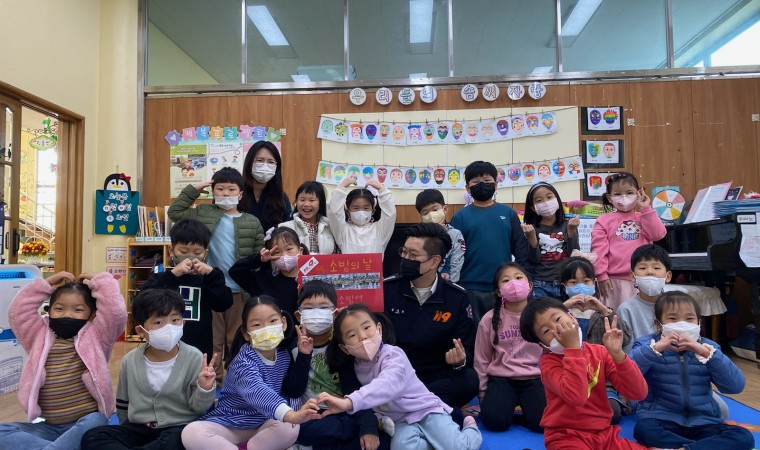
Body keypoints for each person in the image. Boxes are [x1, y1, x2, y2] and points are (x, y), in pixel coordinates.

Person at [320, 304, 482, 450]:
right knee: (402, 447)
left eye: (366, 327)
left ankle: (470, 427)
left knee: (459, 447)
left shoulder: (393, 354)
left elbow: (387, 384)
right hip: (399, 421)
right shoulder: (356, 366)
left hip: (426, 410)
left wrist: (349, 402)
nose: (363, 336)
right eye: (352, 335)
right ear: (345, 348)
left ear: (379, 329)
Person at [0, 272, 126, 450]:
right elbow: (18, 312)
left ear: (92, 315)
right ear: (49, 311)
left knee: (97, 420)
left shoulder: (98, 336)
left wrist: (101, 282)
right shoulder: (37, 335)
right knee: (2, 431)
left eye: (78, 310)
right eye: (59, 309)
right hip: (47, 427)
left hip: (84, 424)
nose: (67, 315)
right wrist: (45, 284)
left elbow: (115, 313)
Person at [181, 296, 322, 450]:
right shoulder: (243, 362)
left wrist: (294, 415)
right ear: (246, 333)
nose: (266, 328)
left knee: (290, 427)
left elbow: (289, 393)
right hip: (230, 424)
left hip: (265, 425)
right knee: (192, 433)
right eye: (257, 324)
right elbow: (258, 391)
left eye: (272, 321)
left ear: (283, 323)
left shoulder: (284, 356)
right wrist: (291, 415)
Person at [81, 289, 216, 450]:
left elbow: (199, 409)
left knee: (180, 439)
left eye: (175, 320)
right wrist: (127, 432)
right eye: (158, 322)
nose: (169, 327)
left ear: (183, 323)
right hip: (140, 428)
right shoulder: (130, 360)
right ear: (140, 331)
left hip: (178, 427)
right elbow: (123, 405)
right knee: (93, 436)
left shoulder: (194, 357)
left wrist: (204, 389)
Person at [168, 166, 264, 380]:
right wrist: (193, 190)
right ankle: (214, 380)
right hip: (209, 288)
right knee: (214, 339)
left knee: (237, 338)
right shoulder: (203, 212)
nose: (226, 193)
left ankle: (237, 380)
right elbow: (174, 213)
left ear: (240, 194)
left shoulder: (252, 222)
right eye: (220, 189)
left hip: (239, 291)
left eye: (231, 190)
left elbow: (258, 257)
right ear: (213, 192)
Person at [519, 297, 649, 450]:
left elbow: (639, 393)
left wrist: (619, 356)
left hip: (604, 434)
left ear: (572, 316)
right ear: (542, 344)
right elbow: (576, 397)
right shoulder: (548, 364)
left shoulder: (599, 351)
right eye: (546, 331)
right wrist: (573, 349)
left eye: (558, 319)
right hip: (566, 436)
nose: (557, 329)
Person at [630, 292, 754, 450]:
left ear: (699, 322)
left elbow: (735, 386)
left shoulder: (709, 348)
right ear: (659, 324)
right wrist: (655, 350)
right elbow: (628, 374)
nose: (682, 324)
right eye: (673, 318)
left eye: (689, 319)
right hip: (661, 419)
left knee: (744, 436)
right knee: (643, 430)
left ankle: (683, 448)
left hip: (704, 421)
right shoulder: (647, 344)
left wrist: (707, 354)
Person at [384, 223, 478, 426]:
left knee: (470, 380)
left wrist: (460, 360)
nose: (405, 259)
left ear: (435, 261)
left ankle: (406, 409)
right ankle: (435, 411)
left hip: (436, 376)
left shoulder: (457, 298)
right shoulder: (386, 290)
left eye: (413, 255)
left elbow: (469, 348)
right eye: (404, 252)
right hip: (396, 375)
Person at [293, 280, 391, 450]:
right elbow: (293, 390)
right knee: (300, 431)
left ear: (335, 313)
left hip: (348, 410)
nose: (316, 313)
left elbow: (354, 389)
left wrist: (367, 426)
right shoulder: (293, 348)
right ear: (298, 315)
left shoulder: (344, 346)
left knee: (380, 441)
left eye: (324, 307)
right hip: (315, 414)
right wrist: (303, 355)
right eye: (309, 308)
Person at [450, 160, 529, 324]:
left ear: (496, 184)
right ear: (467, 188)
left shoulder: (508, 213)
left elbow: (520, 249)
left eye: (487, 180)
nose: (482, 185)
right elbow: (453, 252)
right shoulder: (460, 217)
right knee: (475, 331)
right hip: (470, 287)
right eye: (476, 182)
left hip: (503, 286)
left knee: (504, 330)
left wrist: (521, 280)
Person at [142, 219, 233, 357]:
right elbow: (143, 302)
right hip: (164, 347)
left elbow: (223, 304)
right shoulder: (162, 277)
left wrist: (212, 276)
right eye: (183, 251)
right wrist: (172, 275)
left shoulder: (208, 278)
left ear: (205, 254)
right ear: (171, 251)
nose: (190, 257)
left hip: (200, 346)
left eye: (197, 253)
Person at [560, 256, 633, 423]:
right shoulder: (560, 313)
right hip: (570, 376)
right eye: (573, 282)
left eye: (586, 281)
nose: (581, 286)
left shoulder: (604, 312)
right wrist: (562, 308)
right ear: (564, 286)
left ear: (594, 283)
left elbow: (626, 338)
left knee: (612, 413)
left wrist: (605, 311)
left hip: (602, 380)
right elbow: (544, 337)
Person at [474, 263, 545, 432]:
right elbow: (482, 359)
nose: (513, 283)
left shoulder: (542, 316)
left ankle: (523, 413)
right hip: (502, 378)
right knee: (494, 422)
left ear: (530, 285)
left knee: (542, 423)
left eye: (519, 278)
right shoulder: (489, 319)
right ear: (499, 292)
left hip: (535, 377)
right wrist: (483, 393)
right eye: (506, 280)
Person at [591, 172, 667, 309]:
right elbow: (598, 251)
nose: (624, 197)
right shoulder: (603, 220)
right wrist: (601, 275)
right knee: (615, 317)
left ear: (639, 193)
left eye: (629, 192)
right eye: (618, 194)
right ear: (609, 197)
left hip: (643, 279)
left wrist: (646, 208)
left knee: (643, 315)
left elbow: (658, 234)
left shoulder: (644, 216)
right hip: (613, 281)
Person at [229, 226, 306, 316]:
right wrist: (258, 259)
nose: (284, 255)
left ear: (300, 250)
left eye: (289, 249)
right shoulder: (263, 280)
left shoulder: (311, 279)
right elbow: (236, 271)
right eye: (277, 252)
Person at [521, 182, 580, 298]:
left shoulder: (568, 225)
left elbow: (574, 255)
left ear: (557, 199)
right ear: (533, 208)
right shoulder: (532, 229)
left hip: (565, 282)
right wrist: (532, 238)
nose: (546, 203)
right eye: (539, 200)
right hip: (540, 284)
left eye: (549, 197)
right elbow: (534, 260)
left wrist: (572, 231)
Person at [616, 244, 673, 353]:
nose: (650, 272)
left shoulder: (675, 306)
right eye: (642, 268)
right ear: (633, 276)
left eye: (656, 268)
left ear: (668, 276)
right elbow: (627, 350)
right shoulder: (625, 310)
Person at [327, 177, 396, 257]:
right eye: (356, 208)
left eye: (366, 208)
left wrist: (382, 190)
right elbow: (335, 213)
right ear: (348, 211)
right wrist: (340, 189)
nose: (361, 212)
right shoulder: (343, 231)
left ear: (373, 211)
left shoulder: (380, 230)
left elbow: (390, 214)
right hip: (350, 265)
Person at [240, 140, 292, 231]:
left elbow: (287, 230)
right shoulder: (235, 192)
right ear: (249, 163)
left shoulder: (281, 197)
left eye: (271, 162)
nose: (265, 166)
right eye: (260, 160)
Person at [415, 188, 465, 282]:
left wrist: (449, 283)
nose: (431, 215)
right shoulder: (417, 235)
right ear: (421, 216)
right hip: (424, 283)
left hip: (447, 283)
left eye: (435, 210)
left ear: (444, 209)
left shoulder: (455, 234)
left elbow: (457, 261)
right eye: (425, 213)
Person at [279, 180, 337, 254]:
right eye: (302, 200)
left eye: (312, 200)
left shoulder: (330, 227)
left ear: (321, 203)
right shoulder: (285, 228)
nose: (306, 204)